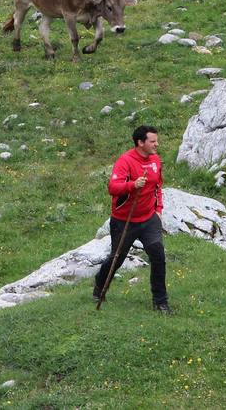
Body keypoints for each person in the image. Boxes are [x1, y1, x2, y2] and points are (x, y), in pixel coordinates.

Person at [93, 125, 170, 314]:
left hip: (149, 218)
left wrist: (158, 209)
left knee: (158, 255)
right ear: (140, 142)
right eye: (152, 141)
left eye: (156, 141)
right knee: (116, 259)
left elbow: (157, 186)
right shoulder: (125, 161)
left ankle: (160, 302)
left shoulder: (155, 160)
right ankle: (100, 285)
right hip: (124, 220)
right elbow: (113, 187)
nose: (156, 144)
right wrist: (132, 185)